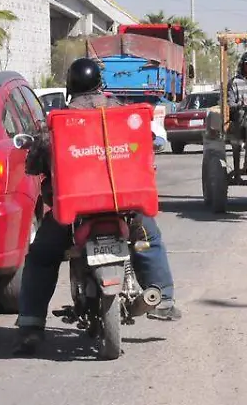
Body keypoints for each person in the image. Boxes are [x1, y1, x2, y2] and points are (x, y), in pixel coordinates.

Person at [14, 58, 181, 356]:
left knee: (41, 256)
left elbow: (36, 161)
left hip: (73, 214)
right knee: (148, 239)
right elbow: (151, 141)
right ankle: (164, 300)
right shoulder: (122, 111)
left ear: (70, 86)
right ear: (100, 84)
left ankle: (31, 324)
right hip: (124, 207)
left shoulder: (59, 120)